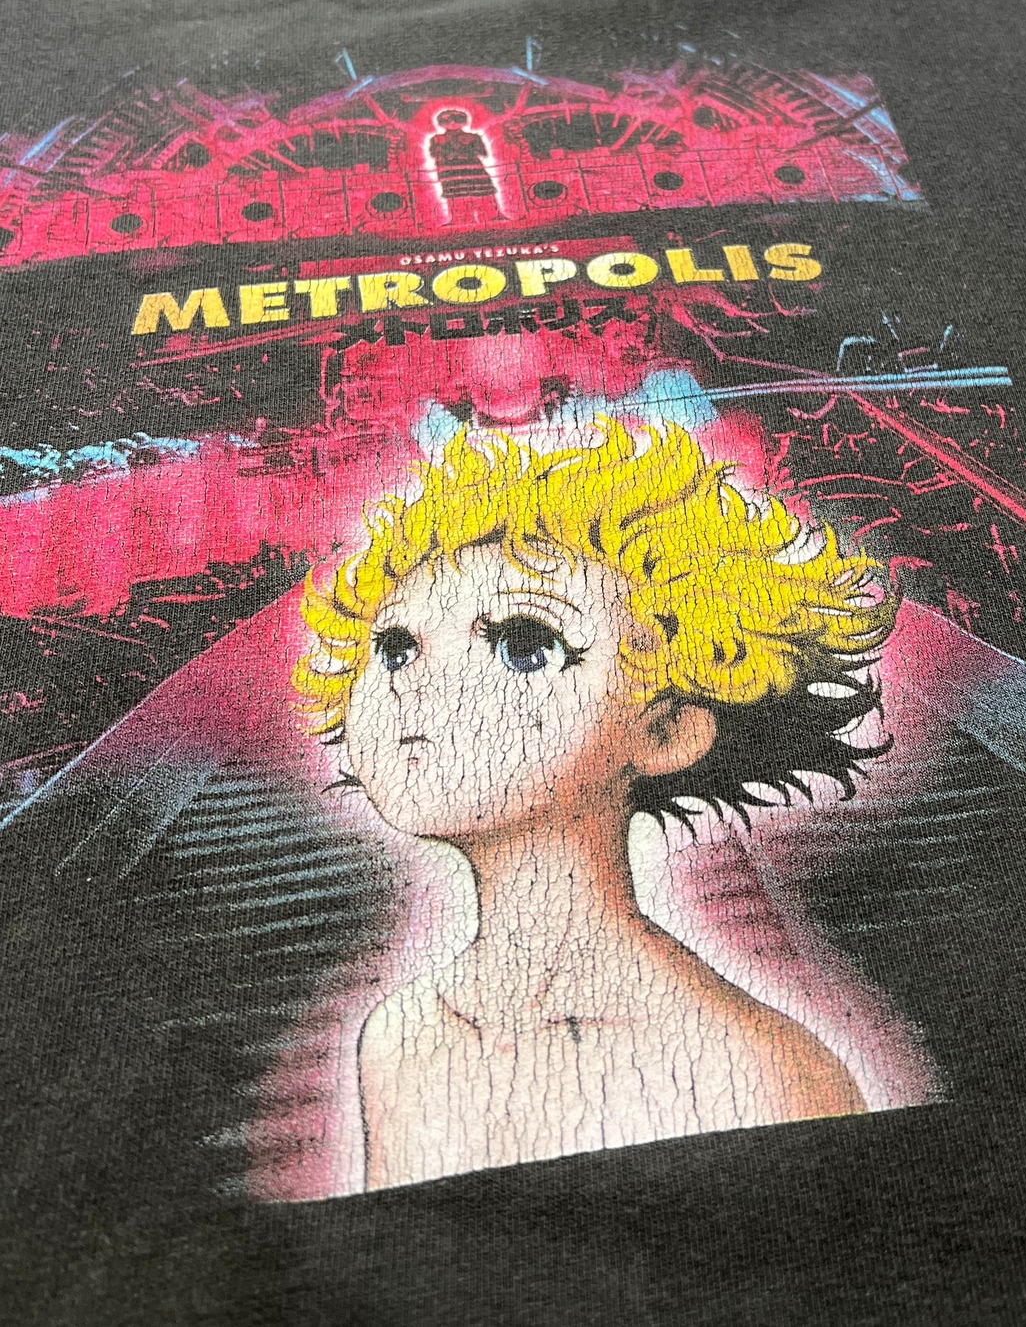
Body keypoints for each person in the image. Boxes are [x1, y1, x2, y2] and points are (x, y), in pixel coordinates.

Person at [294, 417, 897, 1188]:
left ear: (669, 728)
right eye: (396, 646)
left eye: (523, 644)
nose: (418, 684)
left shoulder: (755, 1072)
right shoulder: (399, 1035)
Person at [425, 108, 505, 225]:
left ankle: (492, 215)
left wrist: (464, 152)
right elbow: (434, 154)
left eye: (457, 119)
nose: (452, 123)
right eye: (447, 121)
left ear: (464, 121)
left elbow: (482, 152)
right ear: (441, 123)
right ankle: (459, 219)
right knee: (454, 195)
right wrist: (447, 154)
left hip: (473, 171)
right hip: (450, 173)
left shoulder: (473, 137)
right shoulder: (436, 139)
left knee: (482, 192)